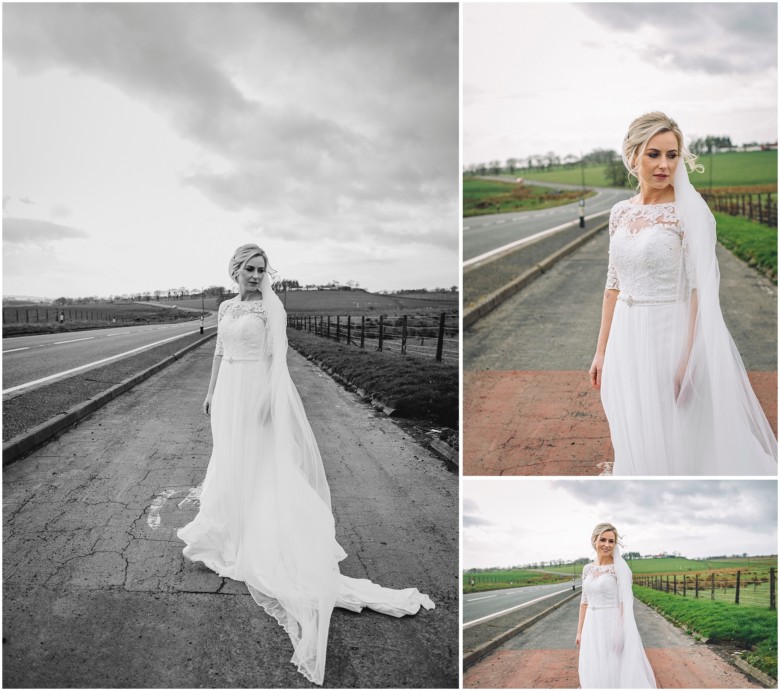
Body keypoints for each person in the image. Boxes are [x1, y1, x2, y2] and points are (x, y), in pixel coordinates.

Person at [177, 244, 434, 685]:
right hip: (227, 394)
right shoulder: (225, 307)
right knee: (229, 459)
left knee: (261, 465)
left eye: (262, 270)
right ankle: (229, 529)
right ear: (235, 270)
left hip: (258, 390)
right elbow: (218, 353)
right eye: (249, 269)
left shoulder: (272, 311)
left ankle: (258, 539)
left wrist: (267, 401)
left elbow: (278, 360)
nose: (256, 276)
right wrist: (210, 391)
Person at [589, 112, 777, 475]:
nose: (664, 165)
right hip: (626, 338)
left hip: (670, 334)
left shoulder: (688, 212)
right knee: (634, 421)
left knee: (678, 428)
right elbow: (612, 285)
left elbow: (698, 289)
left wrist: (688, 359)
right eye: (653, 154)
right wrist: (601, 352)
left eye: (672, 155)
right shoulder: (619, 213)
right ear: (632, 156)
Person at [576, 523, 656, 688]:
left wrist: (621, 631)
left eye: (611, 541)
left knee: (614, 665)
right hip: (591, 624)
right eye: (603, 540)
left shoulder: (620, 568)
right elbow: (584, 601)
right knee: (594, 662)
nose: (607, 545)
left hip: (611, 622)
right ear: (594, 540)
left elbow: (624, 602)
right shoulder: (587, 569)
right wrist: (579, 631)